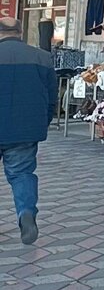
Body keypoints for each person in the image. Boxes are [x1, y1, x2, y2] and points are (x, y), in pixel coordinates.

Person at [0, 17, 58, 245]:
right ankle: (26, 213)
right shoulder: (42, 58)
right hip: (24, 130)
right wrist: (42, 122)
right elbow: (52, 98)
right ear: (21, 31)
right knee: (22, 174)